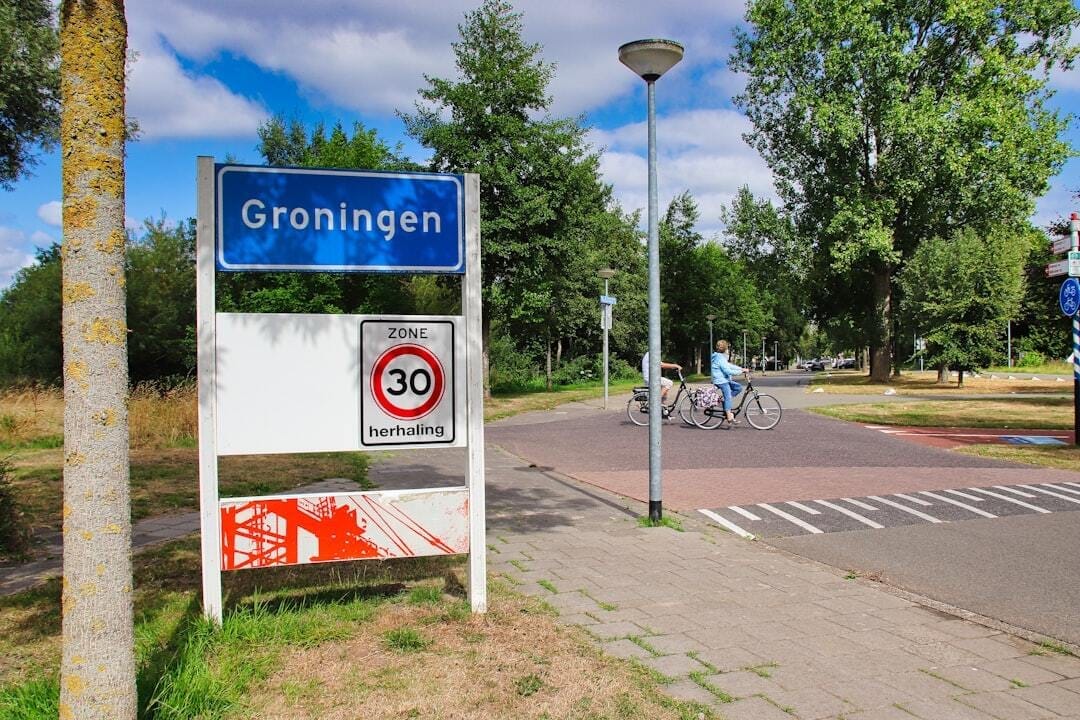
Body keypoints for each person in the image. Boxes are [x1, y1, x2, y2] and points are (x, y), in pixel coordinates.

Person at [711, 339, 746, 423]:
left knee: (738, 388)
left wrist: (741, 369)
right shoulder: (720, 358)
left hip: (724, 379)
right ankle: (729, 416)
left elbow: (728, 365)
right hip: (721, 381)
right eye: (727, 348)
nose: (728, 350)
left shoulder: (720, 357)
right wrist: (740, 372)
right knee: (728, 398)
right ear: (725, 349)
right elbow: (728, 371)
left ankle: (724, 400)